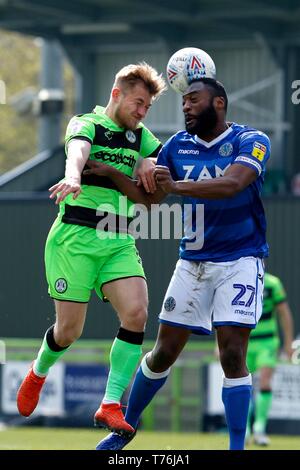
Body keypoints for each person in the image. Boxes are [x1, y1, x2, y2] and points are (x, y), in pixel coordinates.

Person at [82, 77, 271, 450]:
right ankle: (124, 431)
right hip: (193, 262)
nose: (185, 107)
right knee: (163, 351)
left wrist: (176, 187)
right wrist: (113, 174)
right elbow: (149, 200)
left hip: (240, 259)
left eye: (193, 100)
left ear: (218, 104)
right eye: (183, 101)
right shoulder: (177, 147)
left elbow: (233, 184)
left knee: (232, 353)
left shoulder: (251, 140)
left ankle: (237, 446)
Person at [16, 62, 167, 437]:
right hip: (75, 239)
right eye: (138, 103)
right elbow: (78, 151)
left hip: (118, 239)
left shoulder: (141, 135)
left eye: (147, 106)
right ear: (116, 94)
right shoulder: (87, 123)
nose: (142, 112)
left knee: (137, 313)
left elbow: (159, 158)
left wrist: (150, 160)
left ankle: (110, 404)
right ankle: (38, 372)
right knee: (69, 331)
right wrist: (72, 175)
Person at [246, 272, 294, 446]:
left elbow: (284, 313)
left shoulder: (273, 284)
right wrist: (218, 345)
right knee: (244, 385)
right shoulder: (240, 280)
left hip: (267, 342)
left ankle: (259, 429)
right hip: (244, 342)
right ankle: (244, 430)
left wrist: (288, 343)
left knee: (265, 382)